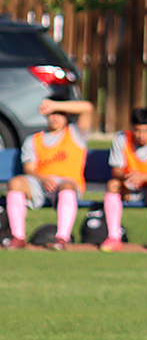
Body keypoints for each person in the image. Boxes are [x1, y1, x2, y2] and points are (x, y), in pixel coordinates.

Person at [3, 96, 94, 250]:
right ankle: (17, 237)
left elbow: (88, 108)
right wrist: (43, 180)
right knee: (15, 183)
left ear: (67, 115)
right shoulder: (34, 139)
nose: (56, 118)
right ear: (46, 115)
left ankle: (62, 238)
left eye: (60, 113)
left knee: (66, 186)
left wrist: (54, 105)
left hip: (67, 185)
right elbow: (29, 168)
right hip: (40, 183)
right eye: (52, 113)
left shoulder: (75, 133)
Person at [101, 107, 147, 253]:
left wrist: (143, 177)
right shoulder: (121, 138)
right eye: (137, 131)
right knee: (112, 185)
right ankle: (113, 237)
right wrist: (128, 177)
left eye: (146, 131)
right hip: (129, 185)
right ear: (131, 128)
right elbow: (116, 170)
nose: (141, 136)